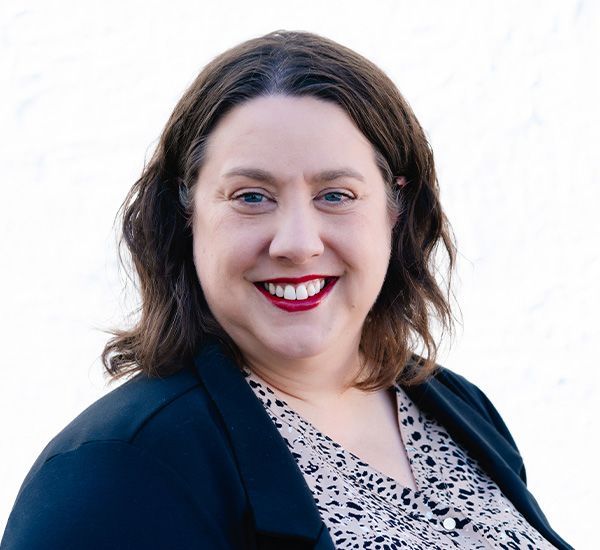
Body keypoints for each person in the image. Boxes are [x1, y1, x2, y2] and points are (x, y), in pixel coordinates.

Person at [1, 30, 571, 550]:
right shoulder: (115, 471)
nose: (297, 244)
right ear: (186, 214)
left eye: (336, 195)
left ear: (394, 210)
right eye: (251, 196)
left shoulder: (454, 406)